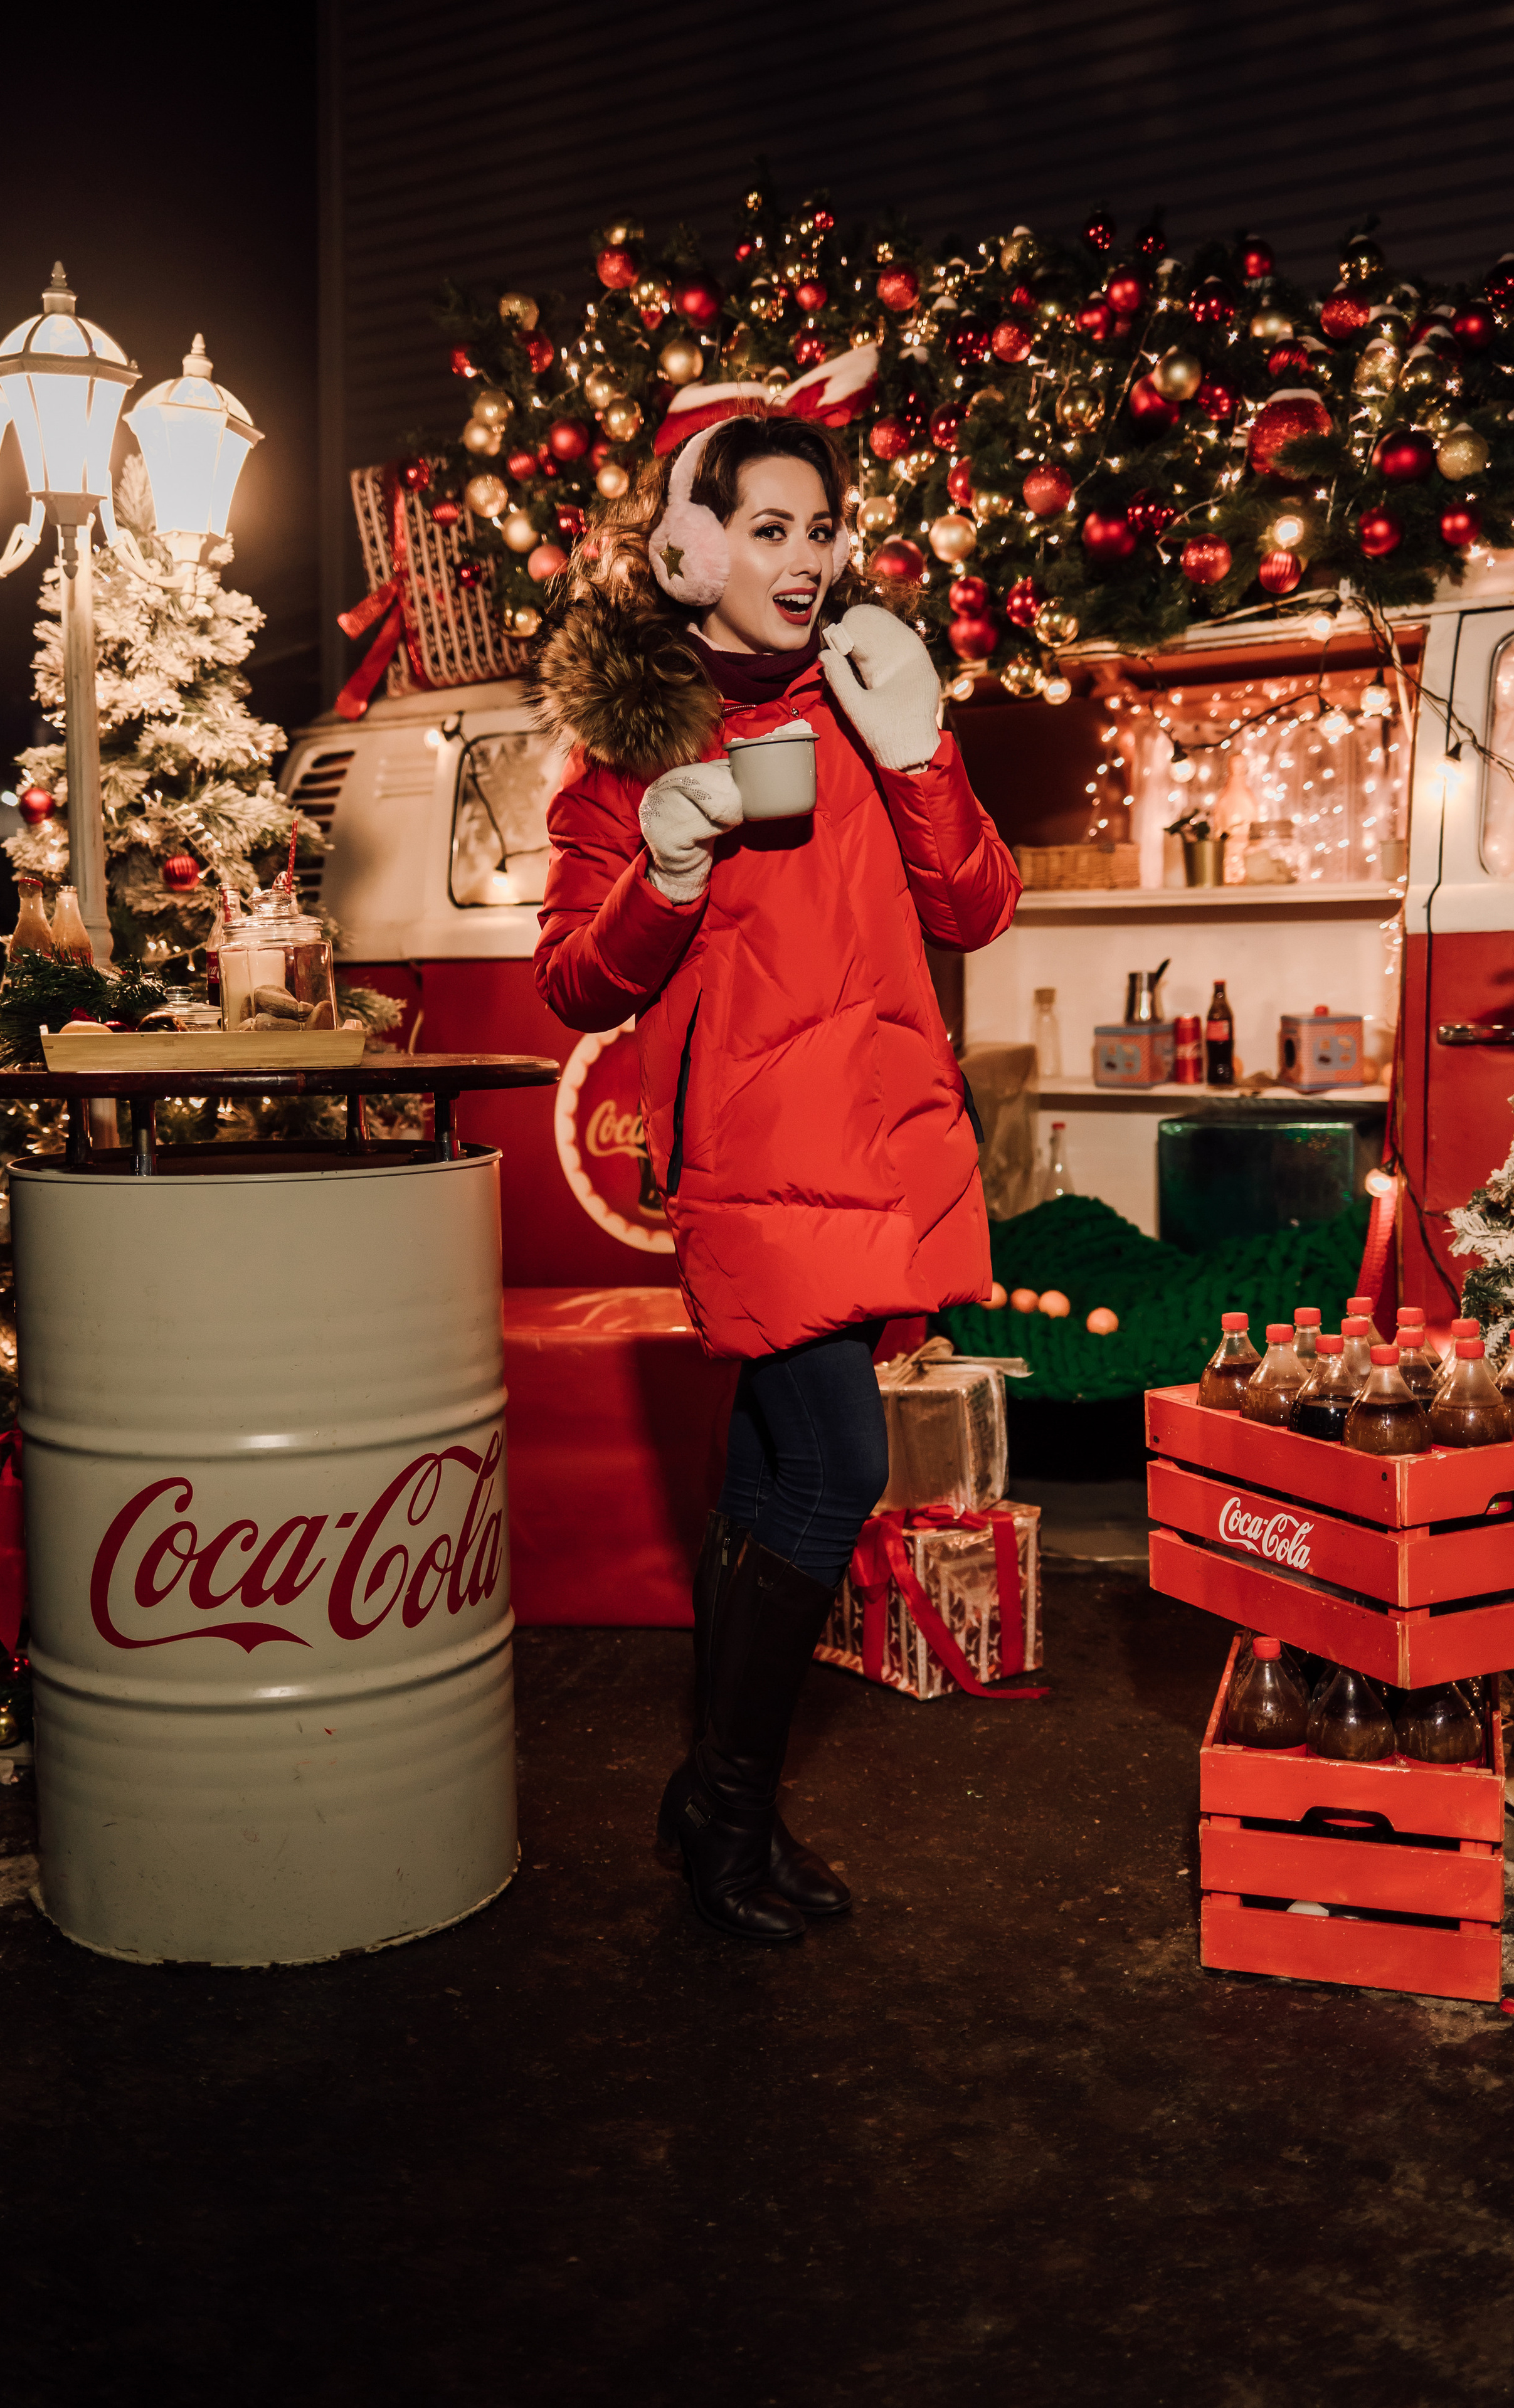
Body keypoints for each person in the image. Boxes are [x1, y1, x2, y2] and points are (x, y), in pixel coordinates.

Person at [532, 411, 1020, 1943]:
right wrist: (659, 876)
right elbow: (570, 985)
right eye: (767, 527)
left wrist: (923, 751)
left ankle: (713, 1808)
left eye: (821, 529)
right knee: (834, 1474)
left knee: (762, 1478)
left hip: (878, 1134)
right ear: (688, 549)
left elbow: (978, 909)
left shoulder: (863, 694)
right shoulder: (626, 740)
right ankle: (725, 1815)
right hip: (752, 1158)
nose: (804, 558)